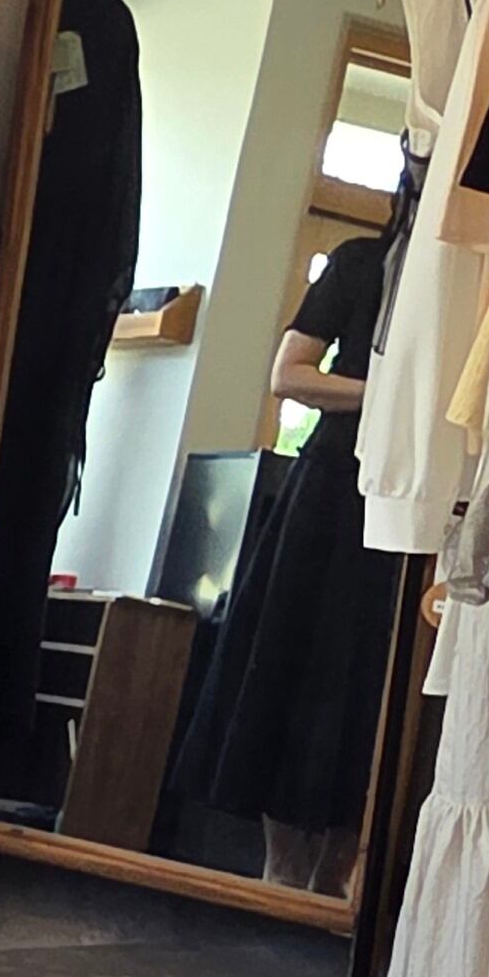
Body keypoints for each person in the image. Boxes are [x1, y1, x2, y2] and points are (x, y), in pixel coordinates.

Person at [178, 224, 400, 894]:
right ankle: (282, 875)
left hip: (408, 496)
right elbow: (289, 374)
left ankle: (334, 883)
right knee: (298, 668)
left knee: (371, 686)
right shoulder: (361, 263)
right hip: (331, 489)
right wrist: (386, 395)